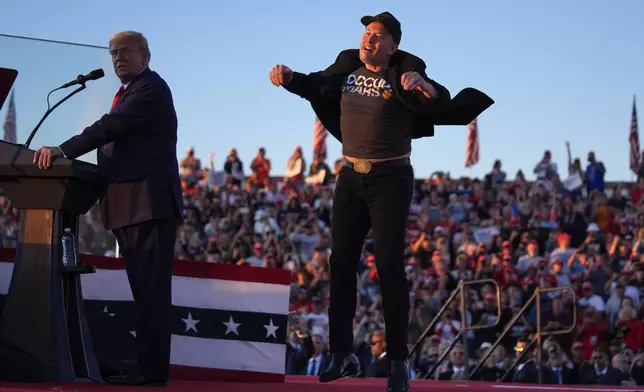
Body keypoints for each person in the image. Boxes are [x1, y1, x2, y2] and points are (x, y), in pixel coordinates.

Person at [269, 11, 493, 392]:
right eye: (367, 33)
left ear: (393, 46)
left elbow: (440, 100)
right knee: (340, 261)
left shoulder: (405, 70)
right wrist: (289, 80)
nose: (369, 40)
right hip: (350, 177)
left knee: (389, 266)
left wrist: (422, 85)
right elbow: (316, 85)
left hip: (390, 178)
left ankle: (399, 363)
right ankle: (342, 352)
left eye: (378, 36)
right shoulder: (346, 66)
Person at [33, 30, 183, 386]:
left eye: (126, 51)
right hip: (131, 206)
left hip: (148, 205)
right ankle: (147, 365)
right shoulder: (129, 92)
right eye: (113, 52)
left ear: (146, 56)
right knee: (143, 291)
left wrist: (64, 150)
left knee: (151, 293)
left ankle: (153, 371)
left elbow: (111, 127)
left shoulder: (150, 89)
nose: (118, 58)